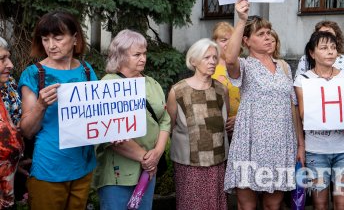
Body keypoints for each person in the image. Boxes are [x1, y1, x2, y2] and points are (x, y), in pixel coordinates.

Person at [223, 0, 302, 210]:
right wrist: (241, 20)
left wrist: (300, 145)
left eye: (269, 32)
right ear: (247, 41)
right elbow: (229, 58)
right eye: (260, 34)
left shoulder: (284, 67)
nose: (268, 37)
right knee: (246, 205)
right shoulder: (245, 66)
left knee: (273, 204)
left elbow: (293, 108)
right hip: (250, 143)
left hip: (280, 144)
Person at [18, 11, 97, 209]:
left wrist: (115, 130)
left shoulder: (87, 70)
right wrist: (40, 105)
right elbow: (26, 130)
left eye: (58, 38)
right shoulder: (34, 74)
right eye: (45, 39)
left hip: (83, 165)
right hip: (49, 167)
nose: (51, 45)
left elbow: (98, 114)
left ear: (75, 38)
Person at [93, 29, 171, 210]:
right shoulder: (108, 84)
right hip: (118, 173)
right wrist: (145, 158)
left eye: (144, 53)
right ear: (120, 56)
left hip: (148, 171)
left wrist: (157, 153)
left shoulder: (151, 83)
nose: (143, 58)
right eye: (137, 54)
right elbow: (109, 131)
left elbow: (165, 119)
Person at [294, 31, 344, 210]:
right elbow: (304, 114)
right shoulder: (303, 80)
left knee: (342, 204)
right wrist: (341, 117)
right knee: (320, 204)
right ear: (312, 53)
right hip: (316, 151)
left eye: (333, 47)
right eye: (324, 48)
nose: (330, 52)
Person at [167, 38, 229, 210]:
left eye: (215, 57)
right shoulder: (178, 91)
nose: (212, 62)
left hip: (217, 162)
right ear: (193, 61)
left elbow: (223, 122)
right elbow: (170, 126)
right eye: (206, 57)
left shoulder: (221, 89)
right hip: (189, 164)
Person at [0, 37, 24, 209]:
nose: (10, 64)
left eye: (8, 57)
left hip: (8, 188)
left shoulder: (10, 86)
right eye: (2, 59)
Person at [211, 22, 240, 136]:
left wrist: (239, 119)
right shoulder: (209, 66)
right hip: (216, 128)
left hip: (241, 127)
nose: (228, 44)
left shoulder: (241, 66)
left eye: (231, 40)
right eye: (223, 40)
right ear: (214, 43)